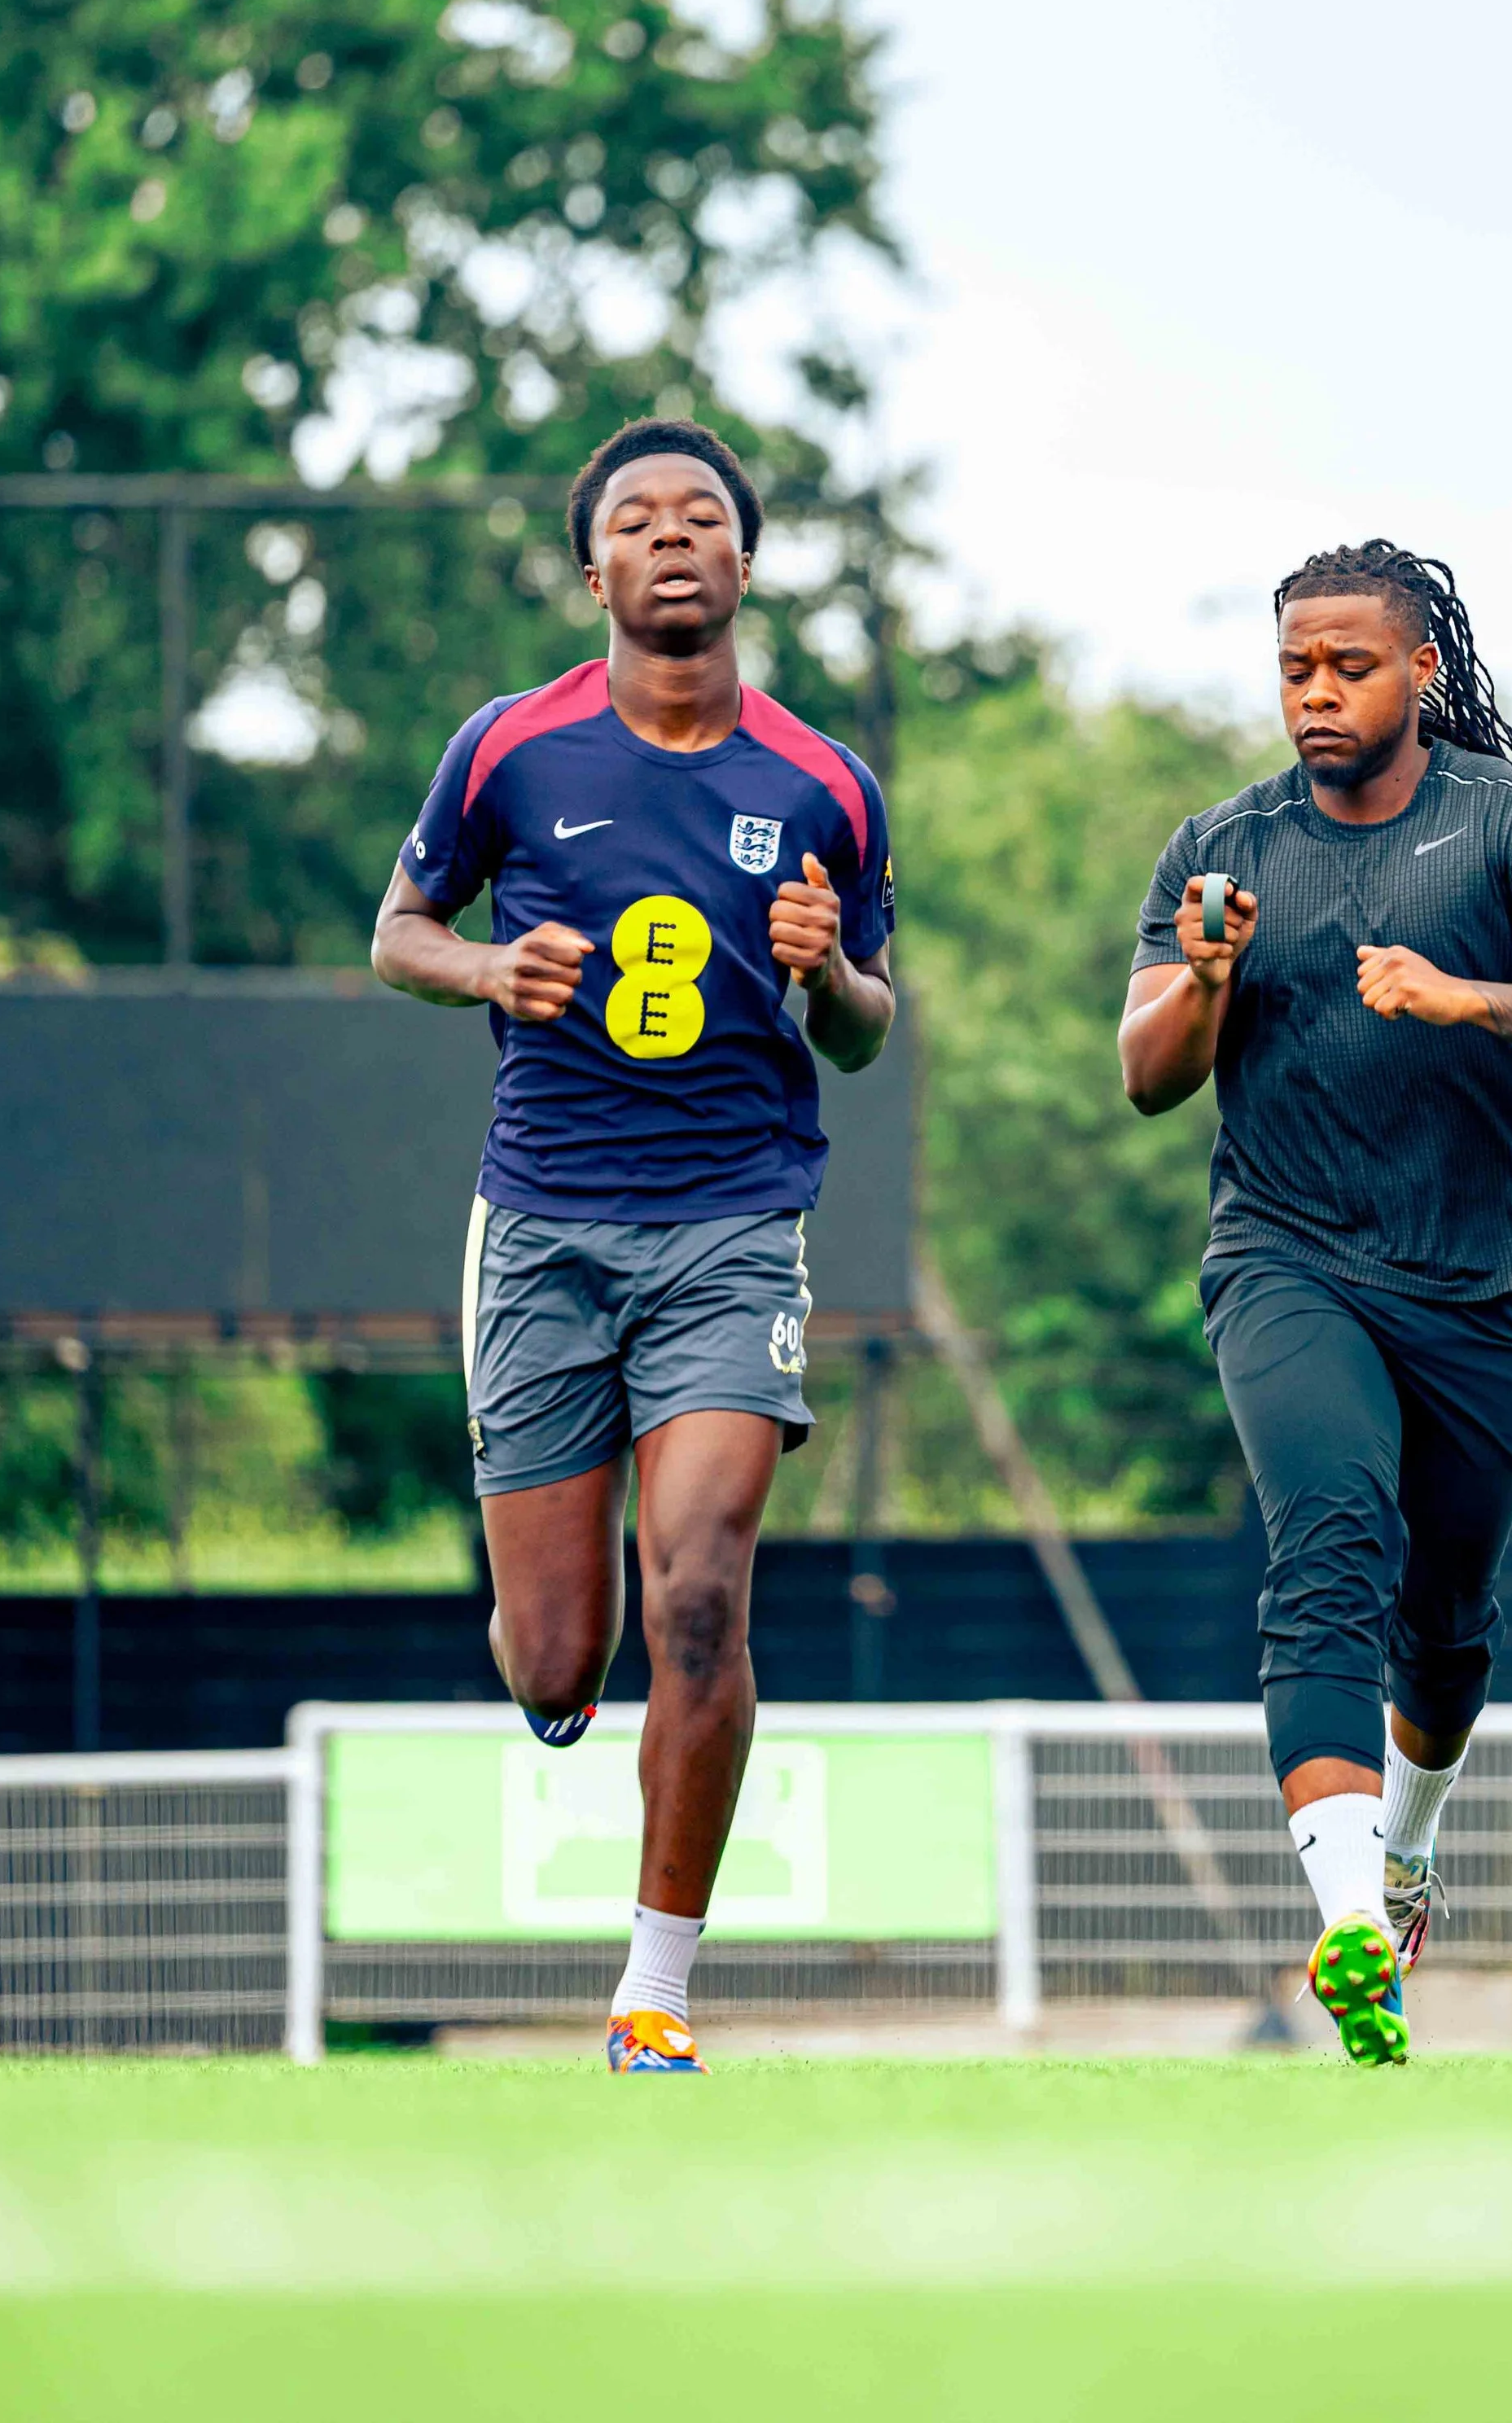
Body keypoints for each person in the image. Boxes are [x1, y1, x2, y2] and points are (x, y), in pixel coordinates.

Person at [371, 418, 895, 2075]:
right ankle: (544, 1668)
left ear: (743, 563)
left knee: (702, 1592)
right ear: (592, 568)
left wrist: (834, 976)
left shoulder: (822, 784)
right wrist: (482, 973)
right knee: (559, 1657)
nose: (670, 538)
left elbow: (872, 1029)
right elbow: (397, 934)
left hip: (733, 1229)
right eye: (635, 521)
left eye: (701, 518)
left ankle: (654, 1990)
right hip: (539, 1229)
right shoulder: (508, 750)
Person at [1119, 540, 1512, 2066]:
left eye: (1349, 664)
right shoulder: (1219, 849)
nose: (1316, 692)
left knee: (1442, 1627)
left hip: (1486, 1290)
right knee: (1330, 1541)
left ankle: (1411, 1847)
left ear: (1420, 667)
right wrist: (1205, 979)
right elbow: (1149, 1073)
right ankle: (1352, 1919)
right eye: (1295, 666)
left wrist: (1470, 995)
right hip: (1285, 1261)